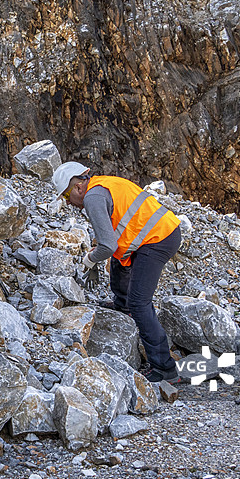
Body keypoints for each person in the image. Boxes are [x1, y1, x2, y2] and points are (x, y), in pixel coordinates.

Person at [52, 161, 182, 383]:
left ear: (77, 188)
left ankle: (164, 367)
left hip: (158, 239)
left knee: (140, 302)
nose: (68, 203)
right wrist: (102, 248)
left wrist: (90, 260)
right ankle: (122, 304)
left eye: (65, 197)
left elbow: (108, 246)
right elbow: (116, 234)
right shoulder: (103, 184)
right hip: (157, 232)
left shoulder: (92, 198)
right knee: (119, 262)